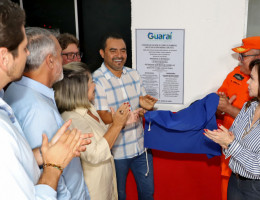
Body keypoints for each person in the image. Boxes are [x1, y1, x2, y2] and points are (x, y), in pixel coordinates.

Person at [0, 0, 92, 199]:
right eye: (24, 48)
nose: (27, 54)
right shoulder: (35, 108)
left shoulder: (17, 93)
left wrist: (46, 153)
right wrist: (53, 166)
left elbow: (22, 161)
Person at [205, 58, 260, 199]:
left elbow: (259, 166)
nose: (247, 82)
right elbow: (232, 141)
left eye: (252, 78)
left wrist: (230, 143)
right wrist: (223, 140)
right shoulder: (250, 107)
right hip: (235, 182)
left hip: (259, 189)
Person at [54, 62, 139, 200]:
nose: (95, 86)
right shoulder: (71, 119)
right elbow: (95, 153)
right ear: (79, 90)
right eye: (92, 82)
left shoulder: (89, 108)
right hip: (94, 191)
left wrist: (122, 123)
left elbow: (101, 136)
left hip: (106, 184)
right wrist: (116, 125)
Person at [93, 33, 158, 200]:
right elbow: (102, 116)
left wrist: (146, 108)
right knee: (119, 196)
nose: (119, 55)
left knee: (147, 193)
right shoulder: (97, 80)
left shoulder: (133, 74)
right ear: (102, 53)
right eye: (113, 51)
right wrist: (123, 118)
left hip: (141, 147)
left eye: (123, 51)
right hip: (116, 152)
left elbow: (142, 107)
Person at [217, 36, 260, 200]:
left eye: (244, 56)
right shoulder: (235, 74)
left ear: (259, 58)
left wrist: (229, 108)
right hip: (228, 158)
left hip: (252, 166)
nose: (239, 60)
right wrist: (220, 106)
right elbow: (220, 106)